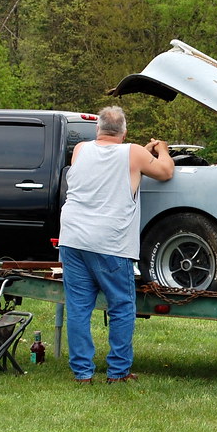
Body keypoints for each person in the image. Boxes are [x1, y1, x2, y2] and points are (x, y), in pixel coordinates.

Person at [58, 106, 174, 384]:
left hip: (72, 237)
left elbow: (108, 161)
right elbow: (165, 171)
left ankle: (82, 373)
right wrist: (162, 150)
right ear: (124, 131)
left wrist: (141, 152)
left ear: (97, 128)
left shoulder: (81, 149)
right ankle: (118, 371)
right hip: (110, 241)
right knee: (121, 306)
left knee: (78, 307)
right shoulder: (134, 153)